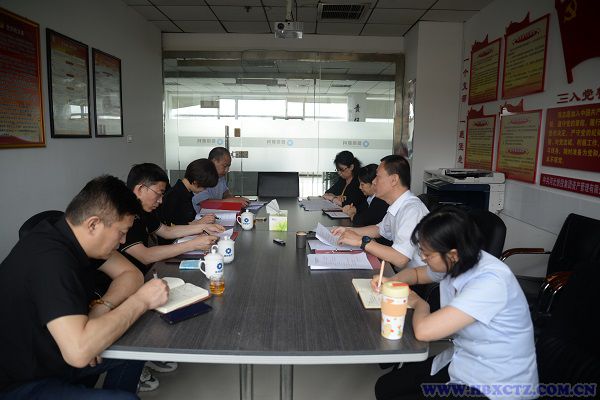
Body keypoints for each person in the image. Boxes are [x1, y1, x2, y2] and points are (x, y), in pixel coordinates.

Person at [0, 176, 169, 399]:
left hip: (57, 352)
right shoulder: (50, 260)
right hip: (22, 379)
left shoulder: (69, 233)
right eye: (121, 232)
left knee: (138, 346)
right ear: (93, 224)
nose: (123, 241)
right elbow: (78, 352)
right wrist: (142, 301)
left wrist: (100, 309)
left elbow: (132, 275)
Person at [372, 206, 538, 400]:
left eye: (428, 254)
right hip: (465, 358)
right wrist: (392, 282)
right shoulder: (458, 260)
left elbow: (424, 331)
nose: (423, 258)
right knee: (385, 387)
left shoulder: (491, 281)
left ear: (453, 254)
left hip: (495, 381)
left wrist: (419, 304)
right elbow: (416, 274)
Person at [116, 163, 224, 391]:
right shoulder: (125, 214)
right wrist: (194, 243)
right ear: (140, 189)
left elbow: (166, 231)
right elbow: (145, 255)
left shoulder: (144, 210)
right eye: (158, 193)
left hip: (142, 273)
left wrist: (201, 229)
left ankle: (147, 352)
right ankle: (136, 359)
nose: (161, 200)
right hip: (126, 279)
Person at [333, 155, 428, 269]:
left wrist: (361, 241)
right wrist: (348, 230)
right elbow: (379, 230)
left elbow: (400, 258)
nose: (373, 182)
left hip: (416, 277)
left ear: (394, 180)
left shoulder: (412, 210)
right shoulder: (397, 205)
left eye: (377, 176)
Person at [160, 158, 219, 225]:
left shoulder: (186, 192)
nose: (204, 190)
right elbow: (171, 226)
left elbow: (189, 218)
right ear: (195, 182)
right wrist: (199, 222)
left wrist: (204, 219)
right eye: (204, 187)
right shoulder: (174, 195)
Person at [191, 147, 250, 213]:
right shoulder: (201, 176)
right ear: (214, 161)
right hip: (200, 216)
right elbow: (204, 203)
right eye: (224, 166)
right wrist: (231, 201)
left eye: (228, 166)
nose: (227, 170)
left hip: (216, 213)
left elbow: (225, 193)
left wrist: (233, 199)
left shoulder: (220, 177)